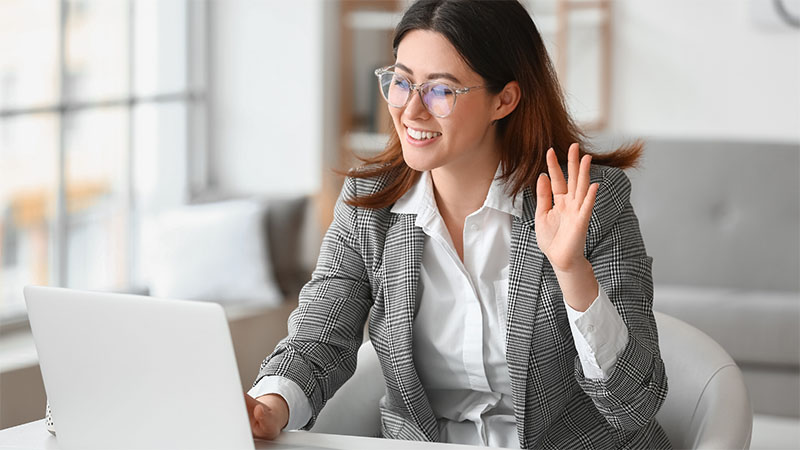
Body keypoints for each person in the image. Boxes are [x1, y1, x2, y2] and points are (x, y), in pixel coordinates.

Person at [244, 0, 670, 448]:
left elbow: (633, 405)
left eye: (440, 90)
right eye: (402, 81)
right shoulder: (369, 207)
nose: (411, 111)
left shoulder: (587, 202)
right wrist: (269, 406)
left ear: (504, 99)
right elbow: (319, 336)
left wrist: (572, 272)